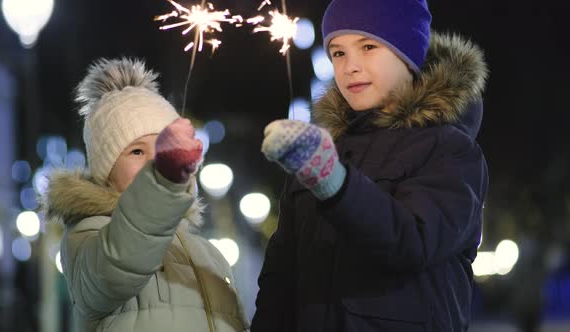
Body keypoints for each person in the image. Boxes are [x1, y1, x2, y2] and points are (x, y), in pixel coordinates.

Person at [253, 0, 489, 330]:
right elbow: (280, 278)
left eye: (368, 46)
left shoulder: (450, 151)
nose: (350, 66)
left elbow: (412, 243)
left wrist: (333, 181)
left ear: (409, 53)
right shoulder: (321, 152)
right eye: (338, 53)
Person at [40, 58, 248, 331]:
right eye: (137, 151)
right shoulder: (90, 235)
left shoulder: (206, 252)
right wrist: (162, 183)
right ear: (106, 169)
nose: (153, 162)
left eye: (163, 150)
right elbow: (116, 267)